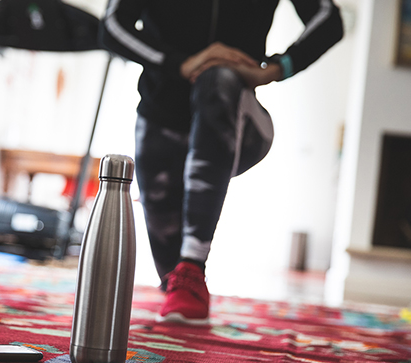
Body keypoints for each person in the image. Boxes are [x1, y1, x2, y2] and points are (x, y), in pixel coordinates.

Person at [99, 0, 344, 324]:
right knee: (171, 277)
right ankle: (183, 279)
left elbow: (328, 19)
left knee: (219, 77)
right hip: (161, 122)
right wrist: (182, 64)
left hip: (238, 121)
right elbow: (112, 26)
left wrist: (277, 68)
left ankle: (193, 266)